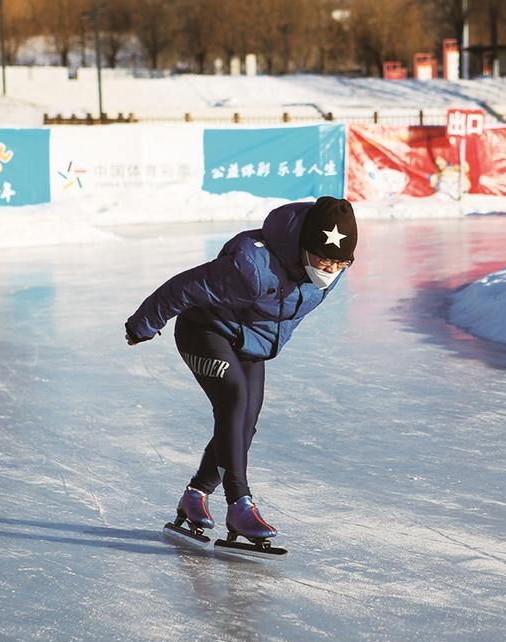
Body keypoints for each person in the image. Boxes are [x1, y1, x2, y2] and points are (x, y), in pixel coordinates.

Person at [125, 196, 358, 542]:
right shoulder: (252, 266)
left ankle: (195, 496)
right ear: (304, 247)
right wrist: (141, 325)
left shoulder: (328, 271)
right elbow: (184, 287)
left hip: (250, 343)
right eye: (324, 259)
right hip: (203, 331)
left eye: (340, 263)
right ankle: (240, 504)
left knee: (245, 423)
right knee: (233, 399)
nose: (330, 270)